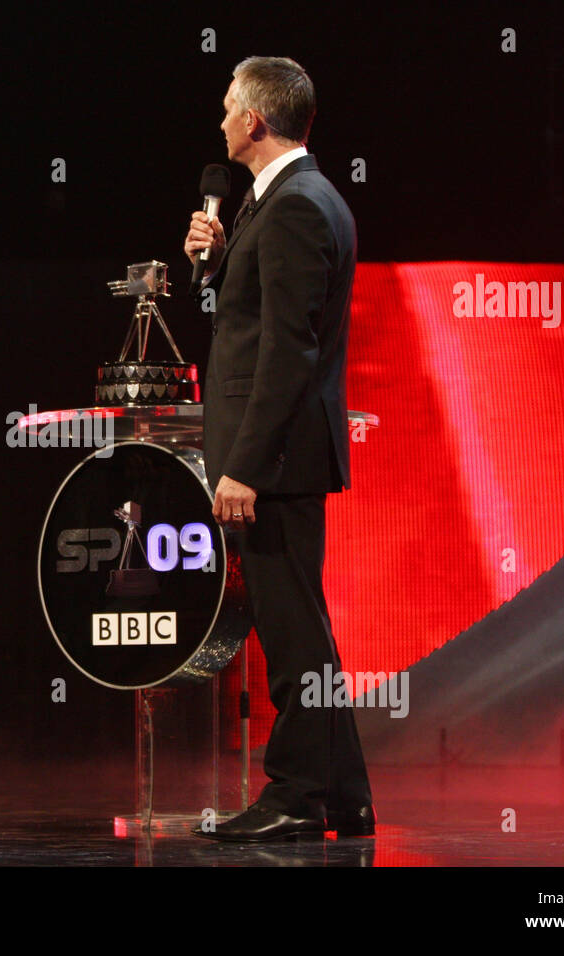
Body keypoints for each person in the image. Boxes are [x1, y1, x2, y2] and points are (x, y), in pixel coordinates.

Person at [183, 56, 374, 841]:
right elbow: (260, 322)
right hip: (287, 459)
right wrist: (217, 259)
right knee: (303, 628)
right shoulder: (289, 201)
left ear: (255, 121)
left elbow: (287, 354)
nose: (222, 119)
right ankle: (345, 796)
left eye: (230, 108)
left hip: (278, 463)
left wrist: (244, 470)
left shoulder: (296, 206)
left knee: (292, 636)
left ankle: (297, 793)